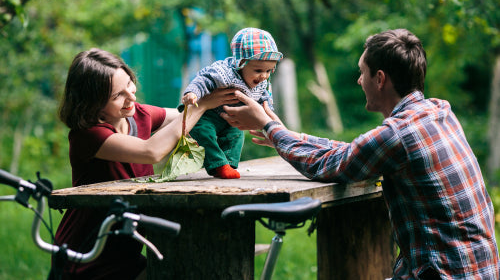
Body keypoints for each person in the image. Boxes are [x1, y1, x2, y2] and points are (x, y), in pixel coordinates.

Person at [221, 29, 500, 279]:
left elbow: (327, 165)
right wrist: (285, 135)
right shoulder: (440, 111)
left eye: (362, 72)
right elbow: (353, 151)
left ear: (379, 79)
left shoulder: (396, 135)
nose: (358, 80)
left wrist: (267, 126)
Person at [48, 48, 237, 280]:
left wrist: (231, 111)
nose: (132, 97)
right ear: (92, 101)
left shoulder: (137, 115)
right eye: (117, 95)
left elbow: (186, 120)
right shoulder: (88, 136)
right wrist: (202, 105)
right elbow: (152, 151)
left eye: (130, 83)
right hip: (86, 252)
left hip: (127, 248)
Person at [181, 27, 283, 179]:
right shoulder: (224, 73)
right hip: (208, 115)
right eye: (258, 70)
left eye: (269, 71)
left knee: (236, 136)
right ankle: (218, 164)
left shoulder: (263, 83)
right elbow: (203, 80)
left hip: (231, 120)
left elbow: (266, 105)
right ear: (241, 63)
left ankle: (229, 165)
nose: (264, 76)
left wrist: (271, 124)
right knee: (203, 132)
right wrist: (192, 93)